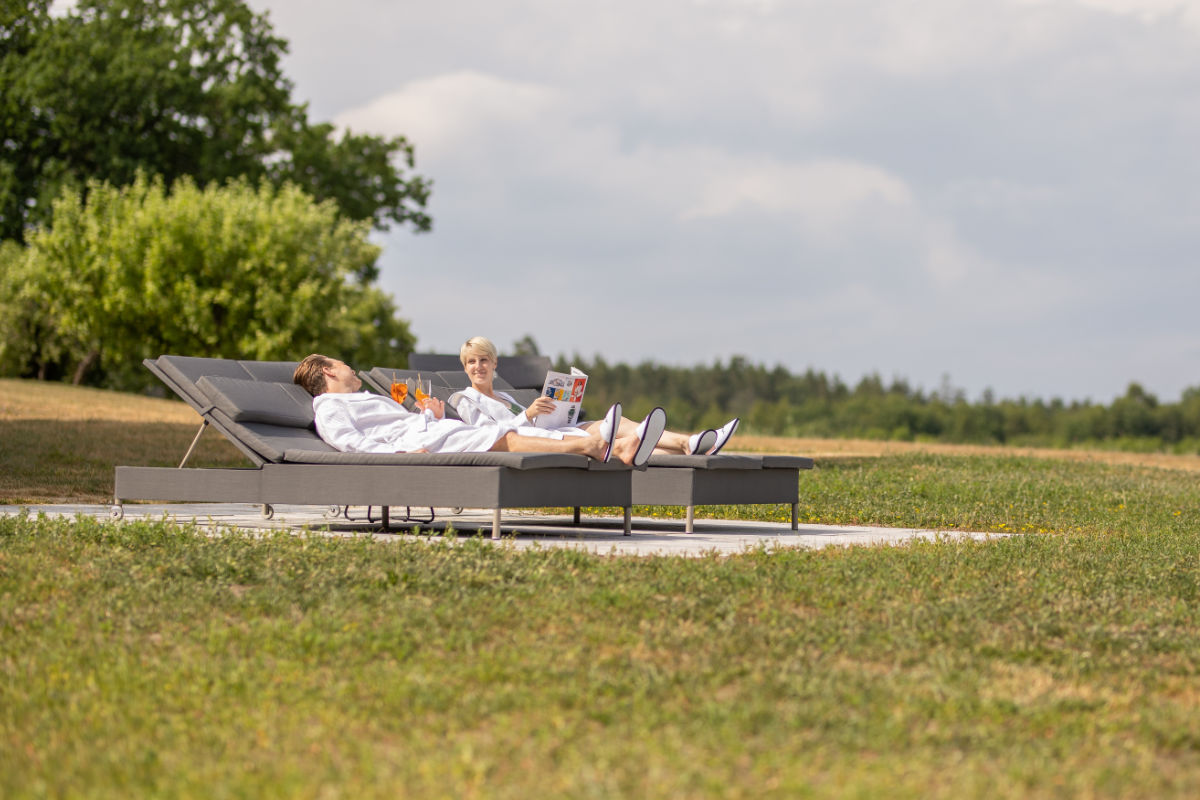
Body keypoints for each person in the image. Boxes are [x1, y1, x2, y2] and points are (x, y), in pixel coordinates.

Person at [292, 354, 665, 465]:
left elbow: (390, 425)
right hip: (418, 446)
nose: (351, 369)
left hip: (427, 432)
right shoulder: (329, 407)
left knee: (510, 436)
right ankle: (598, 445)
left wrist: (428, 417)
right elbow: (352, 444)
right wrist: (400, 453)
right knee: (502, 440)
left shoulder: (357, 399)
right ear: (328, 371)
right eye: (342, 365)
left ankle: (617, 445)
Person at [452, 336, 740, 455]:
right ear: (465, 368)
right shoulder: (464, 400)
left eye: (484, 360)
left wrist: (560, 409)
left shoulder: (506, 396)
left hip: (556, 429)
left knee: (619, 422)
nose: (479, 367)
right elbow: (487, 437)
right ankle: (682, 452)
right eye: (472, 362)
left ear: (494, 363)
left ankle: (687, 441)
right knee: (612, 438)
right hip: (544, 440)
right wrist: (528, 414)